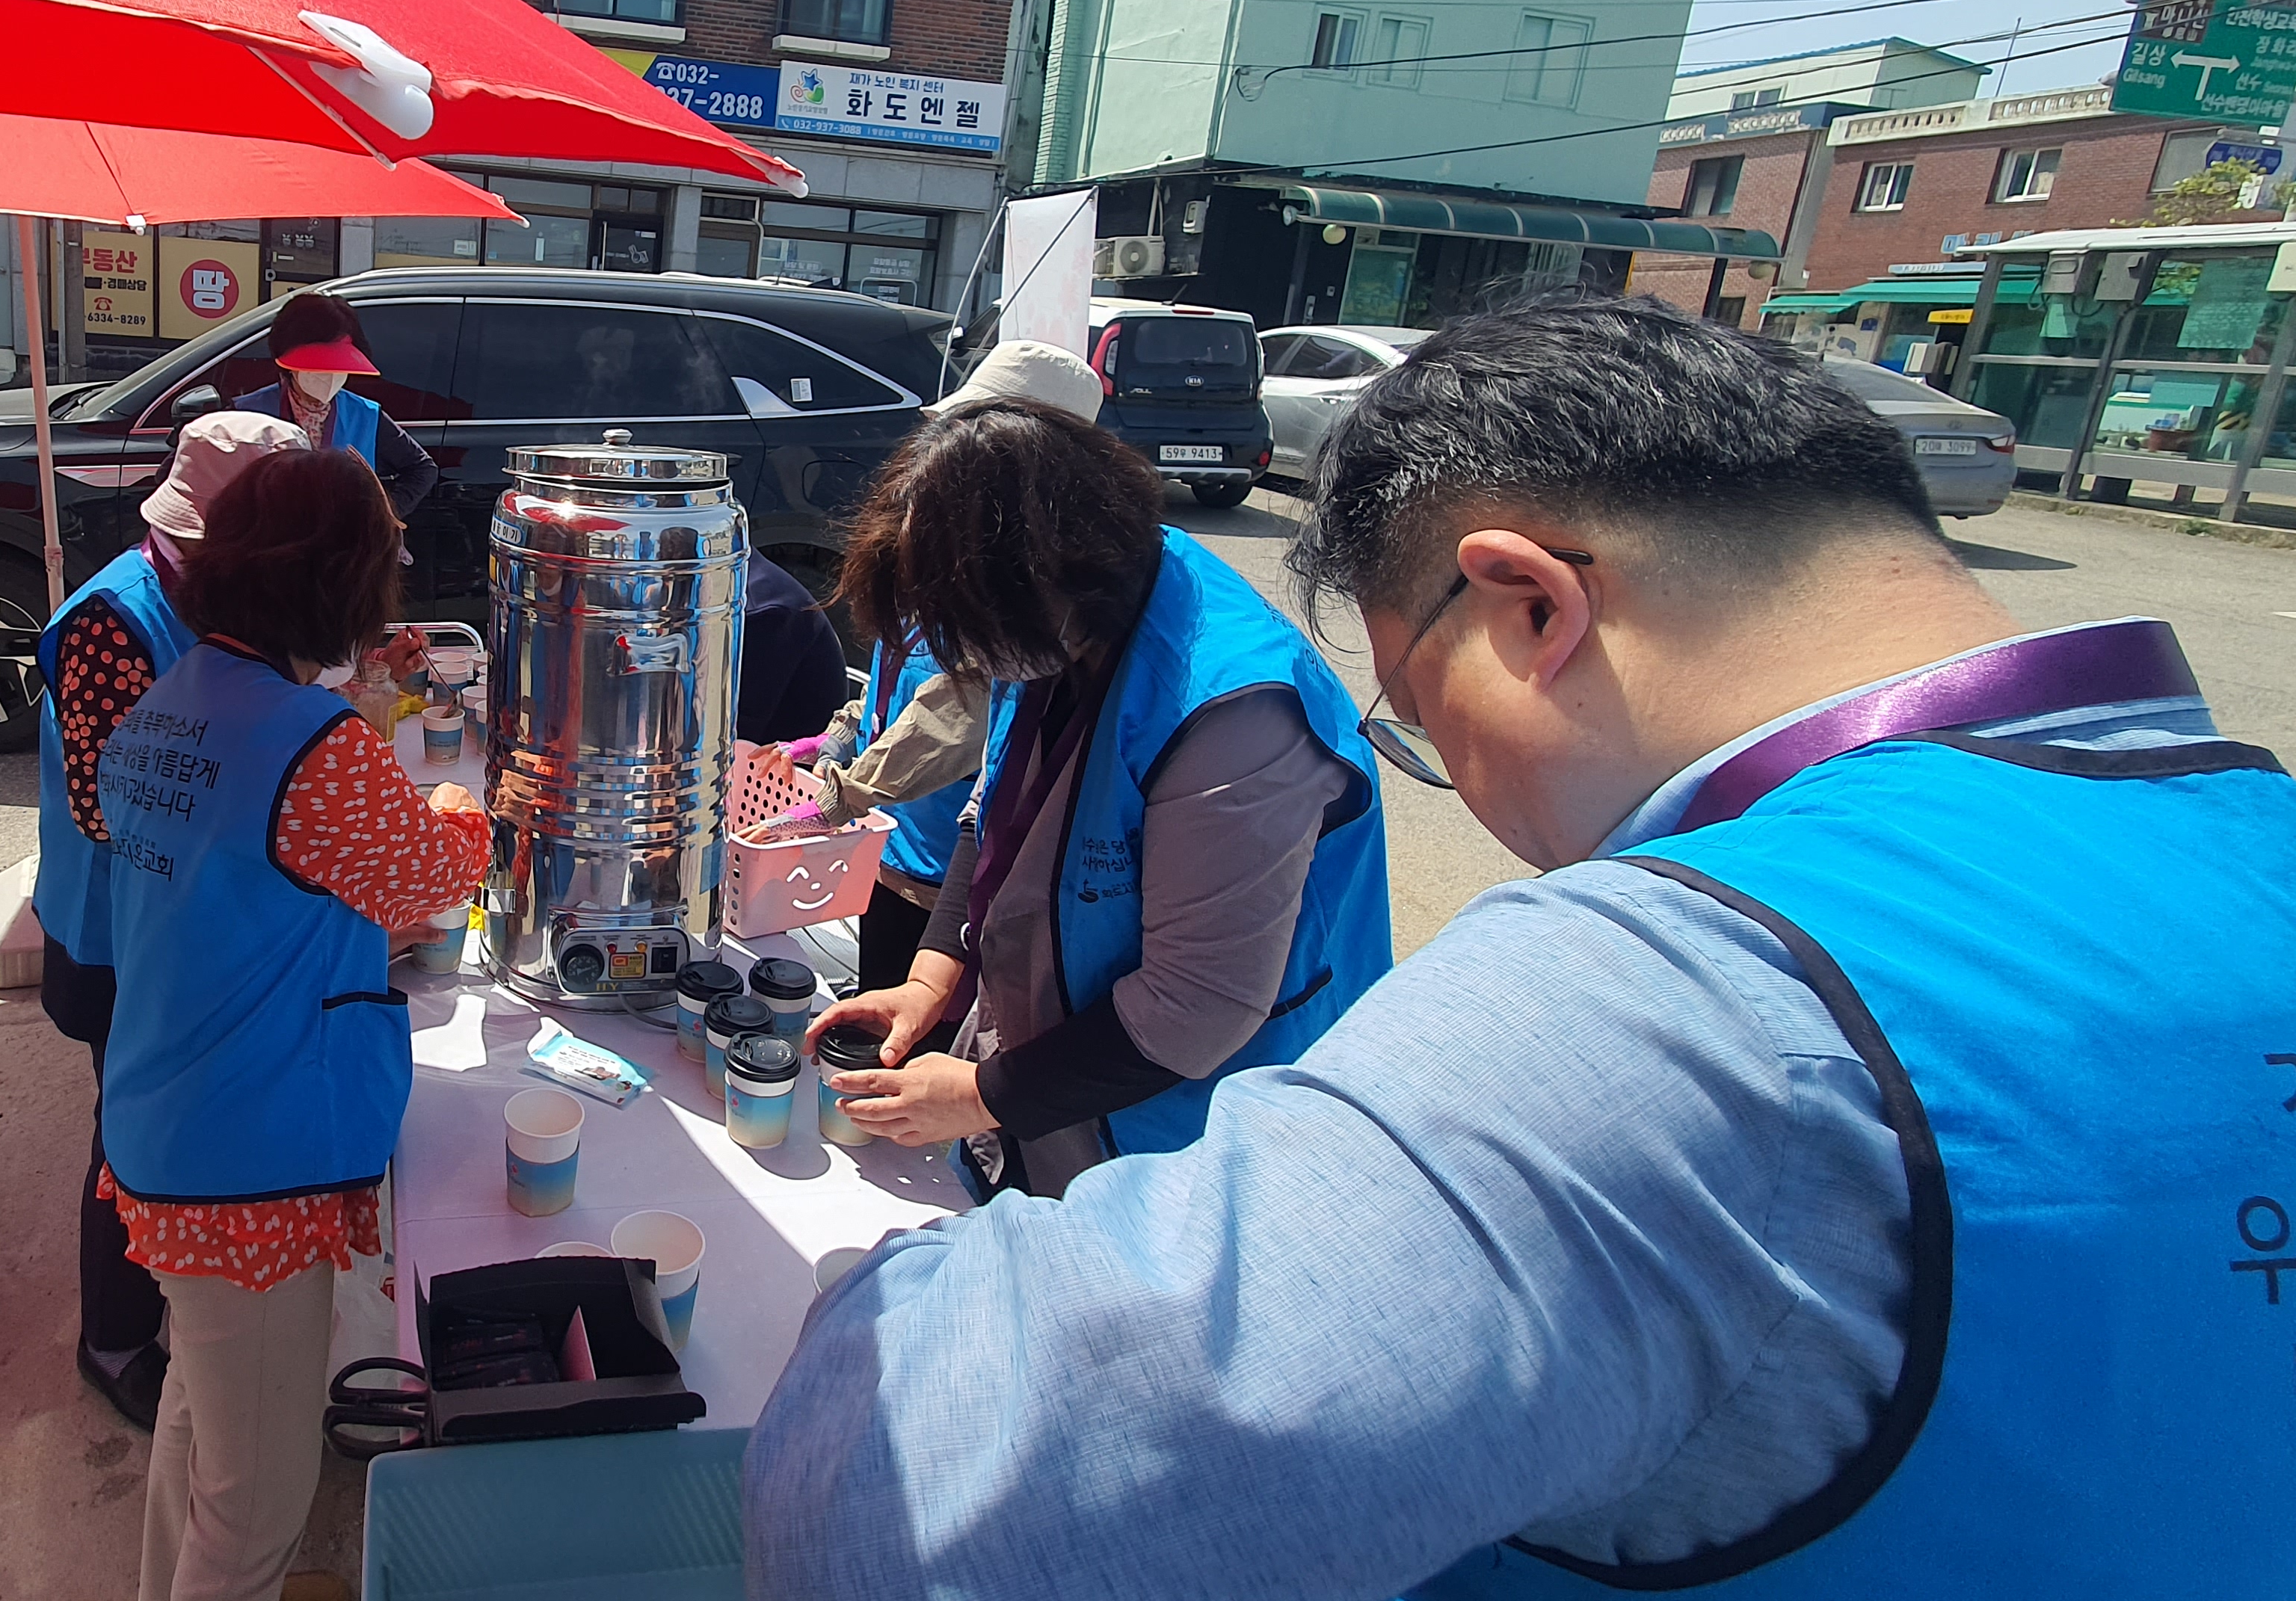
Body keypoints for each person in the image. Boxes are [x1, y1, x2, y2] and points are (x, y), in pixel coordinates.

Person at [744, 297, 2296, 1599]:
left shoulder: (1664, 1003)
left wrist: (901, 1280)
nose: (1474, 801)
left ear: (1526, 607)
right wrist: (946, 978)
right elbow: (1007, 816)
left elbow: (915, 1500)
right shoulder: (2235, 845)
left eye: (1421, 723)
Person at [799, 393, 1394, 1198]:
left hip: (1201, 1126)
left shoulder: (1235, 718)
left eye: (969, 636)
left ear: (1041, 580)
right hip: (1074, 1067)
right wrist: (929, 984)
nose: (967, 664)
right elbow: (991, 815)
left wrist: (982, 1095)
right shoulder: (1068, 609)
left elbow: (1198, 1006)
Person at [96, 447, 487, 1601]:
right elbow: (429, 876)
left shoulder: (171, 703)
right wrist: (461, 799)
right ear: (344, 580)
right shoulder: (314, 748)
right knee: (258, 1504)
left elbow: (259, 846)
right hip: (248, 1157)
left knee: (199, 1426)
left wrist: (357, 708)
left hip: (164, 1118)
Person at [34, 410, 309, 1427]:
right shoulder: (113, 621)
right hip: (116, 936)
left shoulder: (221, 600)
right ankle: (111, 1342)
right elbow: (113, 806)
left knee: (174, 1132)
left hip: (190, 926)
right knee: (131, 1145)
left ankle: (186, 1301)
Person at [775, 339, 1108, 990]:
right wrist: (840, 734)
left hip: (949, 878)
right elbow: (898, 678)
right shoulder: (944, 537)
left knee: (919, 1024)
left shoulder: (1035, 587)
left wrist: (842, 798)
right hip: (888, 850)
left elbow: (958, 717)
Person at [233, 290, 437, 522]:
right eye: (318, 365)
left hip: (345, 542)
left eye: (338, 366)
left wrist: (383, 515)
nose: (329, 377)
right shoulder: (246, 415)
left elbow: (422, 469)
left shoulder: (366, 414)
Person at [733, 555, 846, 747]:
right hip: (760, 749)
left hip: (791, 759)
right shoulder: (745, 579)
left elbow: (731, 736)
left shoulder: (760, 611)